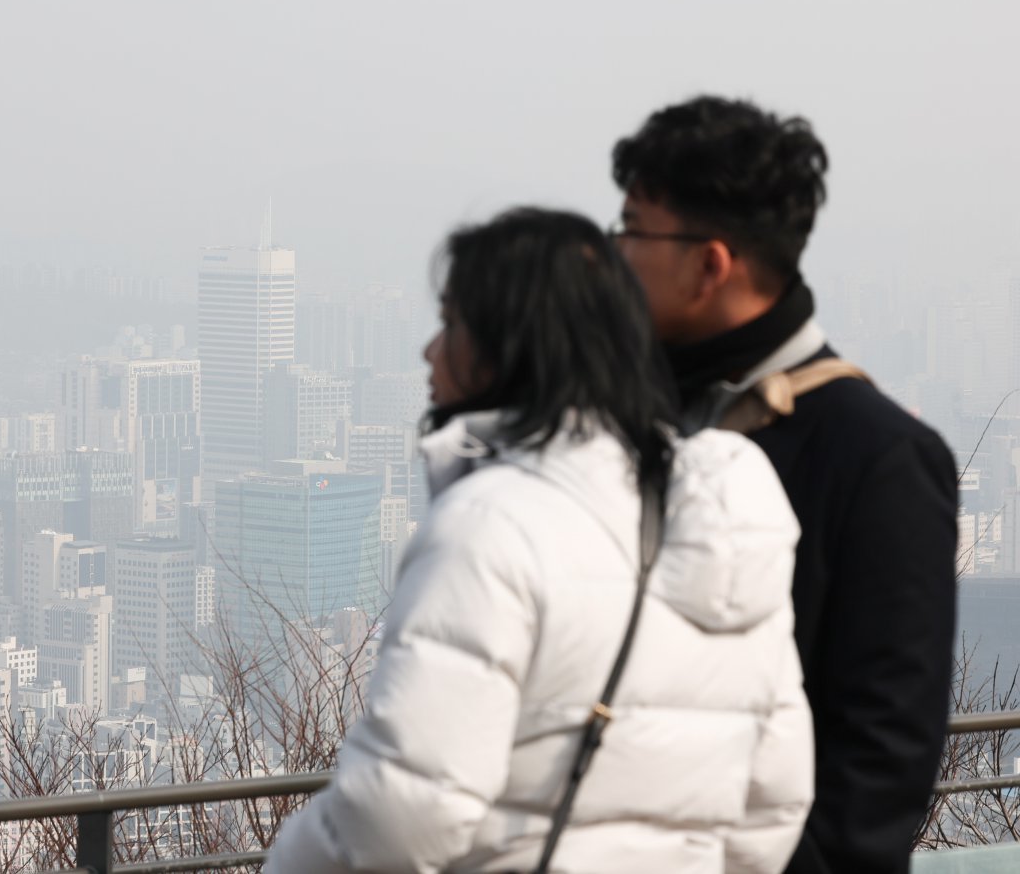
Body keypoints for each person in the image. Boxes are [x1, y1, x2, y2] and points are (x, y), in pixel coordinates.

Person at [265, 208, 812, 874]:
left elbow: (402, 817)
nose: (430, 351)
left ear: (508, 345)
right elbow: (777, 799)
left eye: (451, 324)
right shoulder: (730, 514)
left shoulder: (490, 525)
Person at [610, 95, 958, 874]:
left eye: (633, 230)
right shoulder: (631, 421)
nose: (617, 257)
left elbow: (880, 768)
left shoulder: (878, 458)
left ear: (710, 264)